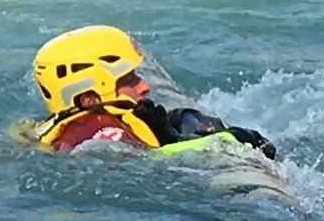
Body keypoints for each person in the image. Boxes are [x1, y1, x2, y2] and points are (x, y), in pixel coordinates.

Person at [29, 25, 275, 157]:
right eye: (128, 80)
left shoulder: (52, 126)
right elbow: (146, 163)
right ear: (91, 99)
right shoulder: (102, 129)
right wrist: (229, 138)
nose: (144, 86)